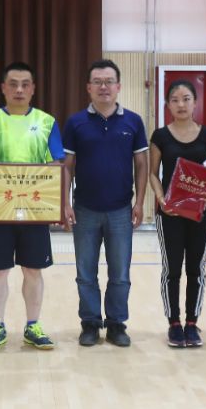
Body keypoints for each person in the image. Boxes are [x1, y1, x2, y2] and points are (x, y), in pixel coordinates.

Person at [0, 62, 65, 351]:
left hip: (34, 212)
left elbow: (55, 166)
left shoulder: (47, 122)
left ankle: (33, 325)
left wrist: (54, 206)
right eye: (13, 84)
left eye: (25, 84)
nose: (19, 89)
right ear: (3, 88)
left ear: (33, 88)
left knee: (33, 270)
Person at [62, 59, 148, 347]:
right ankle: (89, 323)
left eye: (109, 81)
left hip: (121, 211)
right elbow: (67, 166)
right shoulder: (75, 123)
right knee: (85, 274)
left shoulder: (133, 121)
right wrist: (65, 202)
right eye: (97, 82)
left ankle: (116, 324)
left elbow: (142, 164)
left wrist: (140, 202)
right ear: (88, 87)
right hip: (84, 210)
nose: (103, 87)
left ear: (118, 86)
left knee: (120, 274)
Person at [148, 79, 206, 348]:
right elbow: (153, 174)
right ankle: (174, 323)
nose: (181, 104)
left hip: (202, 212)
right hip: (170, 213)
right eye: (175, 100)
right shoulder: (160, 136)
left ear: (195, 102)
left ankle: (192, 322)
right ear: (167, 104)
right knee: (172, 269)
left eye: (186, 99)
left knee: (196, 268)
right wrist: (160, 199)